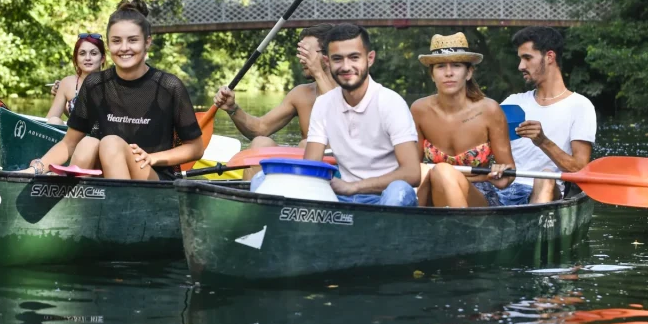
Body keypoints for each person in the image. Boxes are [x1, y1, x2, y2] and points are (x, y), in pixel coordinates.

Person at [15, 0, 204, 180]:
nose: (124, 48)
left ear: (147, 42)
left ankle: (120, 207)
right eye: (116, 41)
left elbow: (196, 148)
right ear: (108, 44)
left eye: (132, 40)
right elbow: (69, 143)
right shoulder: (94, 84)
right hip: (103, 177)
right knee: (88, 142)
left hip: (152, 179)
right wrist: (34, 169)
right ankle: (68, 202)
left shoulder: (169, 86)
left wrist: (153, 158)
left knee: (110, 143)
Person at [265, 23, 420, 206]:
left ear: (370, 59)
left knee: (399, 189)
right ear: (327, 62)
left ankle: (381, 231)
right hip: (342, 196)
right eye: (338, 59)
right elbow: (311, 169)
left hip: (385, 197)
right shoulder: (323, 104)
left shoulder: (390, 103)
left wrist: (354, 186)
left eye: (354, 57)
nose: (346, 67)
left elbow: (412, 173)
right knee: (262, 180)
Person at [409, 33, 521, 207]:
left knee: (443, 171)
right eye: (440, 66)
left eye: (456, 65)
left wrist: (497, 174)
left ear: (468, 72)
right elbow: (413, 170)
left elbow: (508, 175)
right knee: (429, 171)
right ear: (432, 74)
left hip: (479, 196)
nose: (448, 73)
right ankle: (411, 228)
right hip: (432, 192)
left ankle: (460, 231)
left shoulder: (489, 110)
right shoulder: (419, 110)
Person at [502, 27, 596, 203]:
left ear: (549, 57)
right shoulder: (512, 102)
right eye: (520, 59)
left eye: (527, 58)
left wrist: (543, 141)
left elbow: (580, 169)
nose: (521, 66)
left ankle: (534, 225)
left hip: (543, 192)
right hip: (502, 189)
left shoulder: (580, 106)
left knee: (545, 176)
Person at [212, 24, 337, 148]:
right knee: (261, 143)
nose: (301, 59)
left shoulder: (351, 92)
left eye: (306, 53)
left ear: (328, 55)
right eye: (300, 53)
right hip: (304, 164)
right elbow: (260, 129)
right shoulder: (300, 94)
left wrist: (319, 73)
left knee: (306, 145)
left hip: (338, 164)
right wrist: (232, 108)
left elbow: (343, 127)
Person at [46, 33, 106, 125]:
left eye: (93, 53)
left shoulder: (112, 83)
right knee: (54, 121)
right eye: (82, 54)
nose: (87, 58)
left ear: (102, 58)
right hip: (74, 137)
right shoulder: (67, 83)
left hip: (103, 137)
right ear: (76, 58)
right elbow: (48, 121)